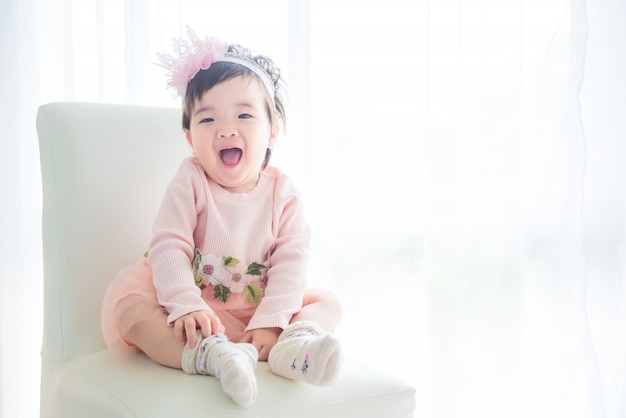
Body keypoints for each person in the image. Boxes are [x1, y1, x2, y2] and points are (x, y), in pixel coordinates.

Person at [101, 27, 344, 407]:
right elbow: (169, 245)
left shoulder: (283, 193)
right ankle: (208, 356)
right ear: (189, 138)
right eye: (207, 120)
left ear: (272, 132)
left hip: (261, 310)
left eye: (244, 115)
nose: (225, 129)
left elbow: (291, 260)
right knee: (131, 312)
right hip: (198, 314)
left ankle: (291, 348)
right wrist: (185, 303)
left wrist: (273, 320)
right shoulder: (190, 181)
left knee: (327, 302)